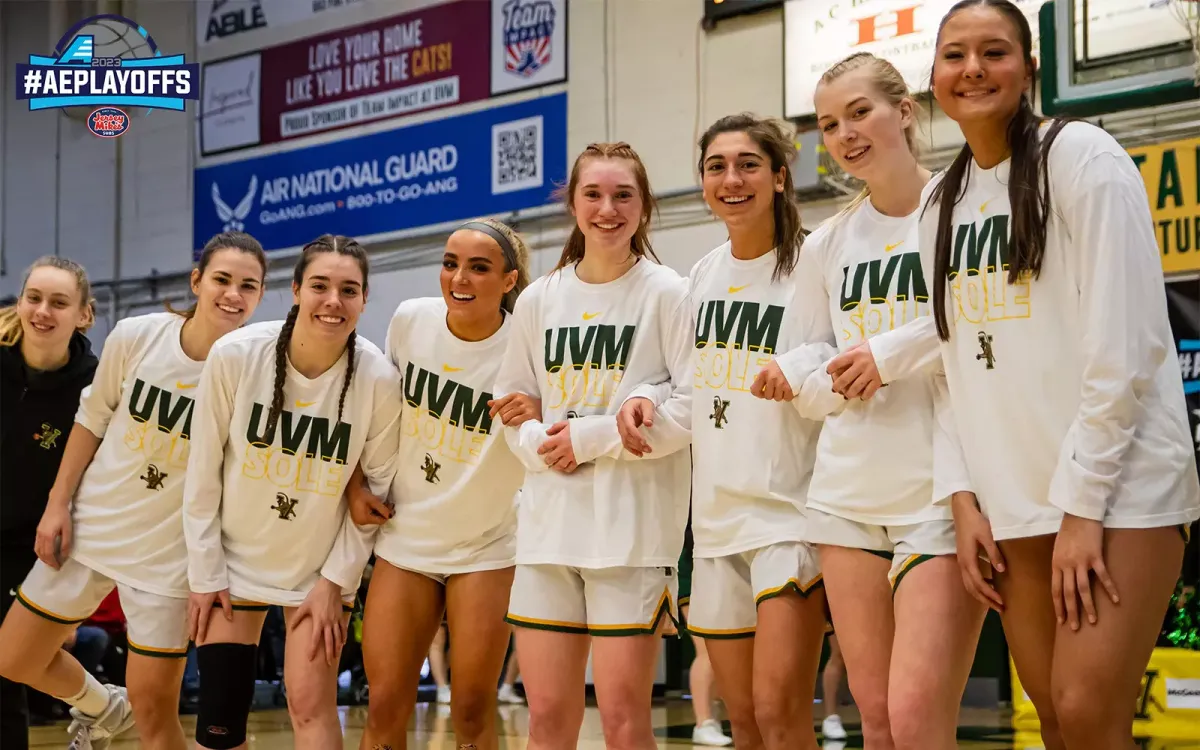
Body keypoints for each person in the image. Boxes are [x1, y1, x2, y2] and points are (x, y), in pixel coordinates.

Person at [827, 1, 1200, 746]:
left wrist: (1083, 508)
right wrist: (964, 498)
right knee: (1053, 718)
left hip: (1120, 490)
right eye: (955, 55)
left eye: (994, 52)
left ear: (1029, 68)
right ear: (933, 78)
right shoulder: (942, 201)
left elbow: (1123, 354)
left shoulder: (1083, 159)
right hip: (1014, 502)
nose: (973, 69)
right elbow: (953, 364)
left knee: (1090, 712)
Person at [770, 53, 987, 750]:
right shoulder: (827, 243)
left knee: (920, 715)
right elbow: (806, 356)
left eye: (859, 112)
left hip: (940, 490)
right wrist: (799, 375)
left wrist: (886, 357)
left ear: (906, 111)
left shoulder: (963, 207)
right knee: (881, 722)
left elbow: (980, 318)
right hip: (845, 494)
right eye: (829, 124)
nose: (844, 134)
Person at [0, 236, 267, 750]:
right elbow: (90, 420)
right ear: (196, 282)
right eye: (221, 279)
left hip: (168, 558)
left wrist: (214, 569)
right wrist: (58, 505)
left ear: (260, 295)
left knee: (155, 715)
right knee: (13, 657)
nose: (233, 294)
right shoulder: (139, 335)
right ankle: (104, 706)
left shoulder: (256, 370)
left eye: (248, 285)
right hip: (94, 528)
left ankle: (125, 711)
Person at [619, 114, 834, 750]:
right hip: (713, 528)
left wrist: (798, 371)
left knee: (779, 712)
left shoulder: (816, 263)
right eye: (716, 166)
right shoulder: (702, 276)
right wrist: (644, 406)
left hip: (789, 516)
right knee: (744, 721)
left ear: (778, 176)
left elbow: (842, 364)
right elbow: (687, 388)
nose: (731, 179)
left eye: (747, 164)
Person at [493, 141, 693, 750]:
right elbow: (510, 406)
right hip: (548, 531)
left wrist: (588, 436)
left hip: (631, 535)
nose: (608, 209)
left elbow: (690, 410)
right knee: (547, 719)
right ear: (573, 204)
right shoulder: (538, 298)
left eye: (623, 195)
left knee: (623, 722)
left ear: (645, 205)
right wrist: (539, 443)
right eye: (593, 194)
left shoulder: (669, 292)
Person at [183, 234, 402, 750]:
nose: (333, 301)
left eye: (349, 290)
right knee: (219, 721)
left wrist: (336, 581)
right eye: (320, 286)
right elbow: (202, 475)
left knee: (310, 706)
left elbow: (376, 498)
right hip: (232, 566)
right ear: (296, 290)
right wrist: (205, 570)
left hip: (318, 573)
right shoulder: (236, 355)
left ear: (365, 299)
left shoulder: (378, 378)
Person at [348, 218, 537, 750]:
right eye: (451, 263)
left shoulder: (529, 347)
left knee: (474, 713)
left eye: (479, 268)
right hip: (406, 540)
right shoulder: (411, 320)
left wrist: (540, 409)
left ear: (508, 280)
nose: (460, 277)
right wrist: (356, 483)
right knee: (385, 706)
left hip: (486, 546)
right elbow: (373, 416)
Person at [0, 257, 99, 750]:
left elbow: (97, 490)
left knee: (3, 674)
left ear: (84, 314)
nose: (42, 311)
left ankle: (101, 705)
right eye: (33, 298)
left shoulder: (96, 388)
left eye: (59, 302)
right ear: (18, 303)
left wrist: (68, 607)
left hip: (33, 547)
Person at [678, 516, 731, 747]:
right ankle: (703, 722)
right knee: (706, 649)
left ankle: (713, 715)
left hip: (716, 560)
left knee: (724, 652)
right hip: (690, 568)